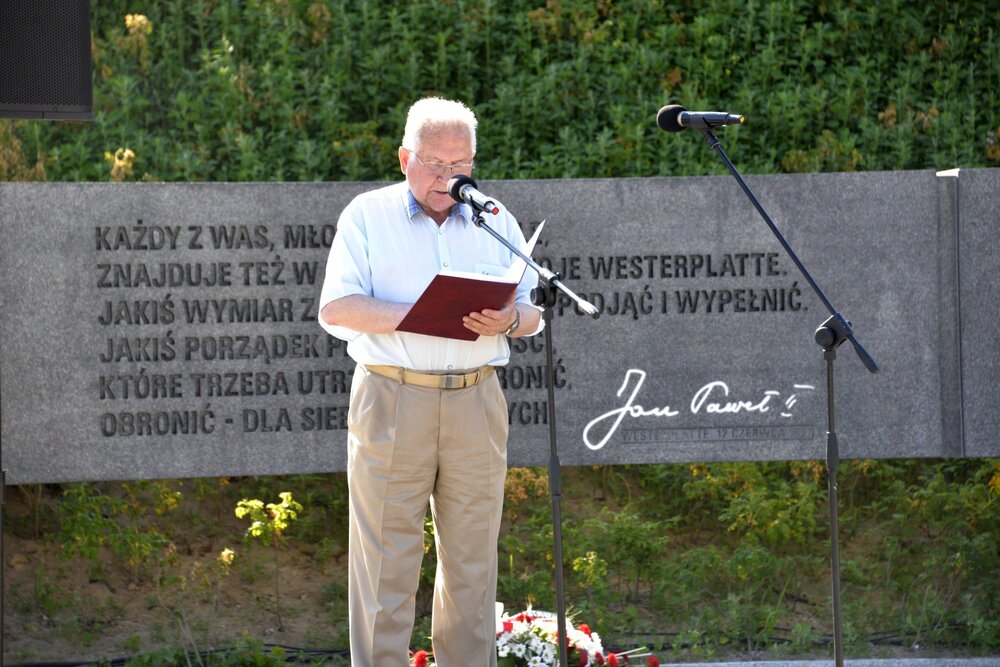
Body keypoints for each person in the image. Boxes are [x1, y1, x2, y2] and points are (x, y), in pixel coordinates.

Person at [317, 97, 542, 666]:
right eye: (436, 165)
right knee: (385, 564)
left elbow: (533, 311)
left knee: (472, 563)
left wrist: (510, 320)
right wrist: (422, 312)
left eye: (461, 164)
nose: (450, 178)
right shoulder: (366, 216)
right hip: (393, 396)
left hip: (476, 400)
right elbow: (338, 308)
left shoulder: (495, 218)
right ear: (404, 159)